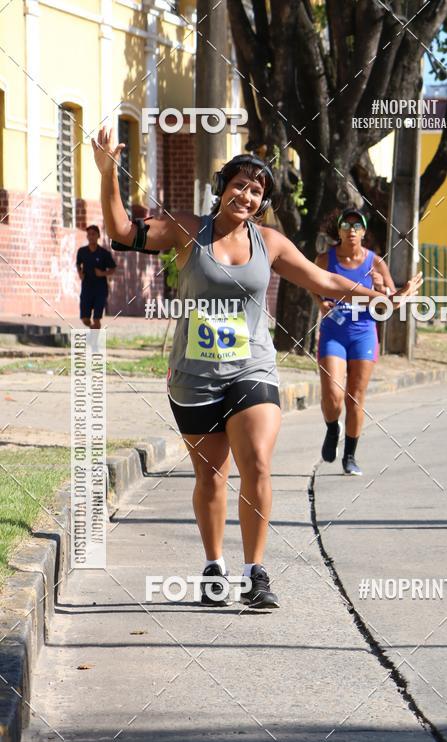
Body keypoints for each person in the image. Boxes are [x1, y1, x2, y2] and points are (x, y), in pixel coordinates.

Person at [93, 128, 422, 611]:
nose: (246, 196)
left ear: (262, 201)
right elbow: (124, 231)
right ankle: (214, 567)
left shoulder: (270, 242)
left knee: (258, 464)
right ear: (222, 187)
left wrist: (380, 298)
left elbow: (325, 279)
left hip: (252, 368)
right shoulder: (187, 229)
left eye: (256, 190)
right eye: (239, 185)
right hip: (194, 375)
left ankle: (255, 573)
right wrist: (107, 174)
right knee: (211, 476)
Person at [315, 208, 396, 476]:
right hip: (333, 333)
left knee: (355, 397)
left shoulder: (375, 262)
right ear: (338, 231)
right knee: (333, 396)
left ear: (363, 232)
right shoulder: (325, 259)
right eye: (346, 225)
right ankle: (331, 428)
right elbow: (311, 283)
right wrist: (320, 303)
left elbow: (391, 299)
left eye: (357, 226)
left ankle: (350, 456)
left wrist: (381, 288)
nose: (351, 230)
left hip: (363, 333)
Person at [76, 225, 117, 328]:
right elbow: (78, 264)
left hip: (100, 290)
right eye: (89, 234)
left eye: (93, 234)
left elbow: (113, 269)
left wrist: (102, 273)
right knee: (85, 319)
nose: (91, 236)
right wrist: (80, 273)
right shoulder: (82, 251)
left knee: (96, 319)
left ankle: (95, 335)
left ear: (98, 236)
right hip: (87, 288)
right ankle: (92, 329)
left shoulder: (104, 253)